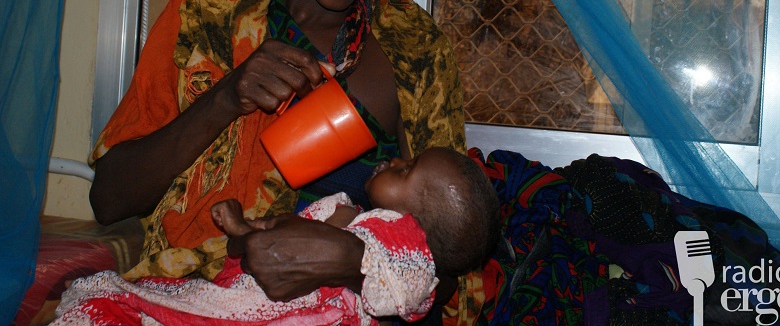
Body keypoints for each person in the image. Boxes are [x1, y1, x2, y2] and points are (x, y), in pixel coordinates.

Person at [86, 0, 477, 323]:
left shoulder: (414, 52)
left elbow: (455, 255)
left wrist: (355, 264)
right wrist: (226, 99)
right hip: (194, 298)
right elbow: (110, 199)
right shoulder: (211, 12)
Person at [55, 148, 501, 325]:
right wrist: (240, 227)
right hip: (240, 301)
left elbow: (411, 289)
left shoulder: (404, 251)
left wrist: (354, 260)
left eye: (406, 170)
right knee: (115, 305)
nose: (393, 160)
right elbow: (263, 246)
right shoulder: (342, 208)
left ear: (415, 227)